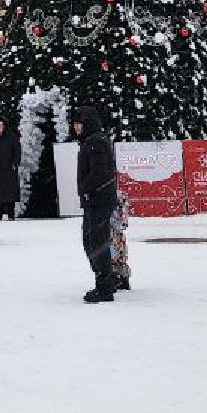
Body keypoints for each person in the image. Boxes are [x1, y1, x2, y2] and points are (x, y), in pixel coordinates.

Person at [72, 106, 121, 303]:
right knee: (92, 242)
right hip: (94, 201)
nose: (76, 127)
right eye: (74, 124)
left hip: (99, 200)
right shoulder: (92, 141)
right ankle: (108, 279)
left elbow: (100, 173)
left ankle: (104, 286)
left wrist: (84, 187)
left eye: (79, 123)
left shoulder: (96, 142)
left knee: (96, 243)